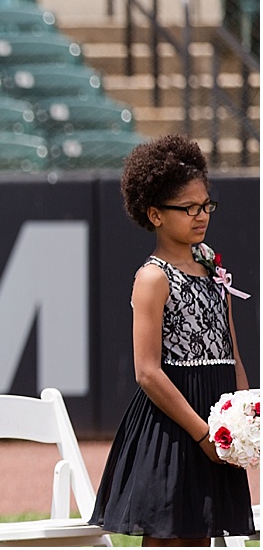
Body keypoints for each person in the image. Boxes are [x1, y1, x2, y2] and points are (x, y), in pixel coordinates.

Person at [89, 135, 255, 545]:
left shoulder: (214, 269)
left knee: (203, 535)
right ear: (155, 215)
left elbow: (231, 351)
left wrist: (244, 415)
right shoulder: (153, 277)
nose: (201, 216)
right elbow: (146, 372)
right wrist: (202, 434)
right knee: (173, 535)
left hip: (216, 419)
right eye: (188, 209)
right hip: (175, 425)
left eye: (205, 206)